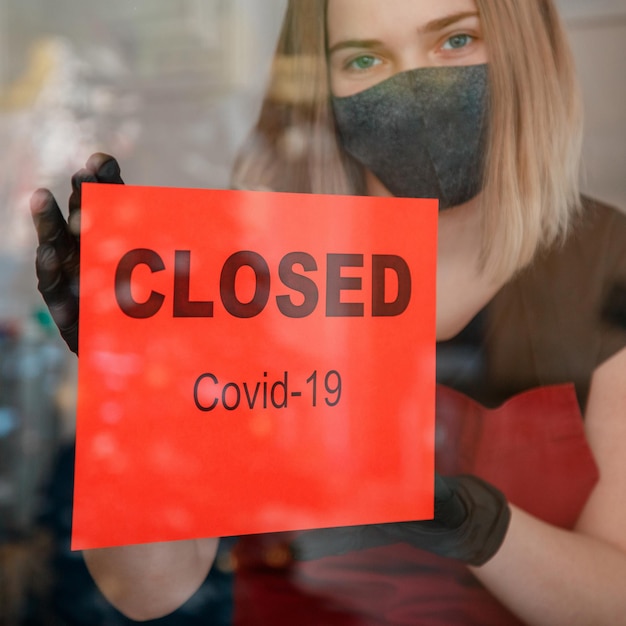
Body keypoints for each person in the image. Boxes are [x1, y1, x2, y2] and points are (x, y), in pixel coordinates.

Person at [30, 0, 626, 624]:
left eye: (455, 40)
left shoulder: (604, 265)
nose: (416, 85)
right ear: (322, 83)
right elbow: (147, 589)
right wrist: (134, 377)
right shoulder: (250, 274)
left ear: (525, 48)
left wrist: (484, 529)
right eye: (364, 59)